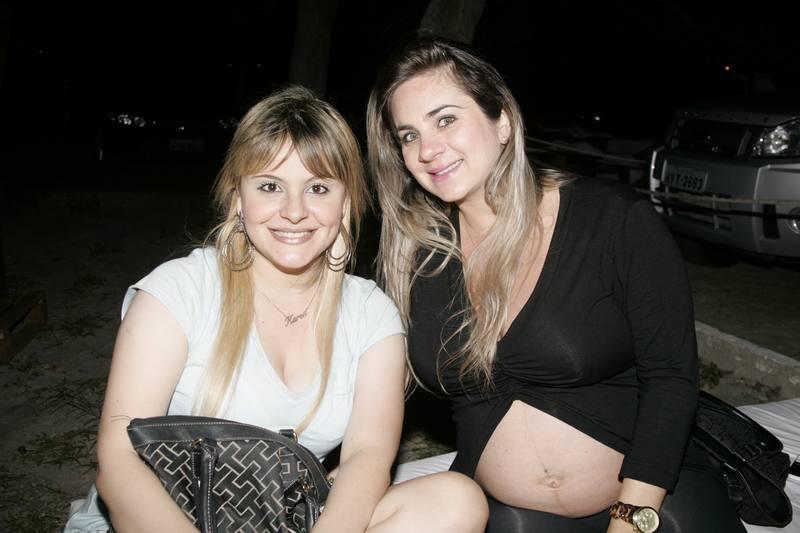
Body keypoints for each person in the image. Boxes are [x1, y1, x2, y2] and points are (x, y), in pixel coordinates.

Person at [366, 34, 746, 532]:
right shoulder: (417, 256)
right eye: (408, 135)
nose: (428, 150)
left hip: (651, 497)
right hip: (511, 513)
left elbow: (671, 378)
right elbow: (368, 383)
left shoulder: (612, 220)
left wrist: (629, 520)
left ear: (502, 121)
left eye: (446, 119)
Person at [68, 86, 488, 532]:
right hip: (163, 517)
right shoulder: (179, 291)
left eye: (318, 188)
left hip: (285, 515)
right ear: (238, 197)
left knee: (455, 500)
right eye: (270, 186)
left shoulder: (370, 315)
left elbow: (366, 456)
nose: (294, 211)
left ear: (345, 201)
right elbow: (119, 459)